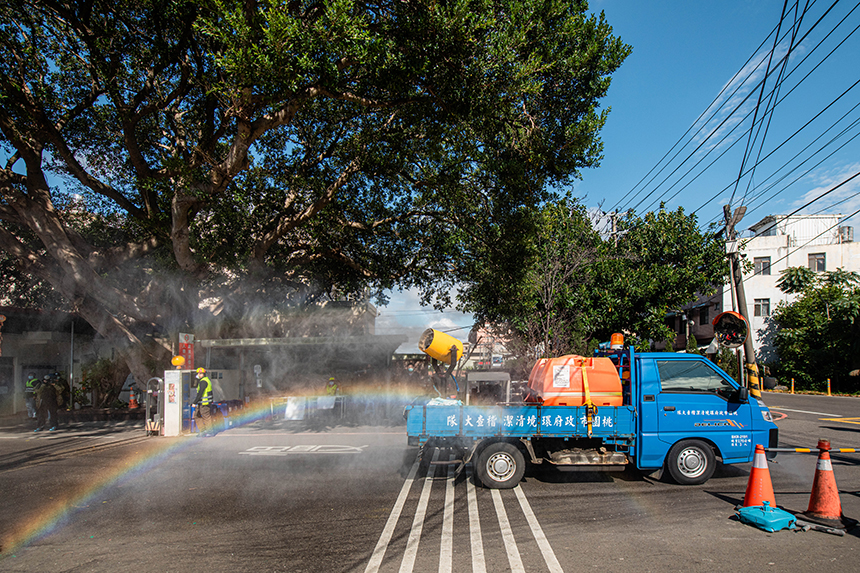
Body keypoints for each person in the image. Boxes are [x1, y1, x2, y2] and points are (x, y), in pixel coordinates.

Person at [193, 367, 215, 437]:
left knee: (206, 417)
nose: (199, 375)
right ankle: (203, 430)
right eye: (198, 373)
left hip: (204, 403)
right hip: (202, 402)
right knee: (197, 415)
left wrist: (194, 402)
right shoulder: (204, 380)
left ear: (204, 374)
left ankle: (210, 431)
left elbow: (200, 393)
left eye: (200, 373)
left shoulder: (203, 381)